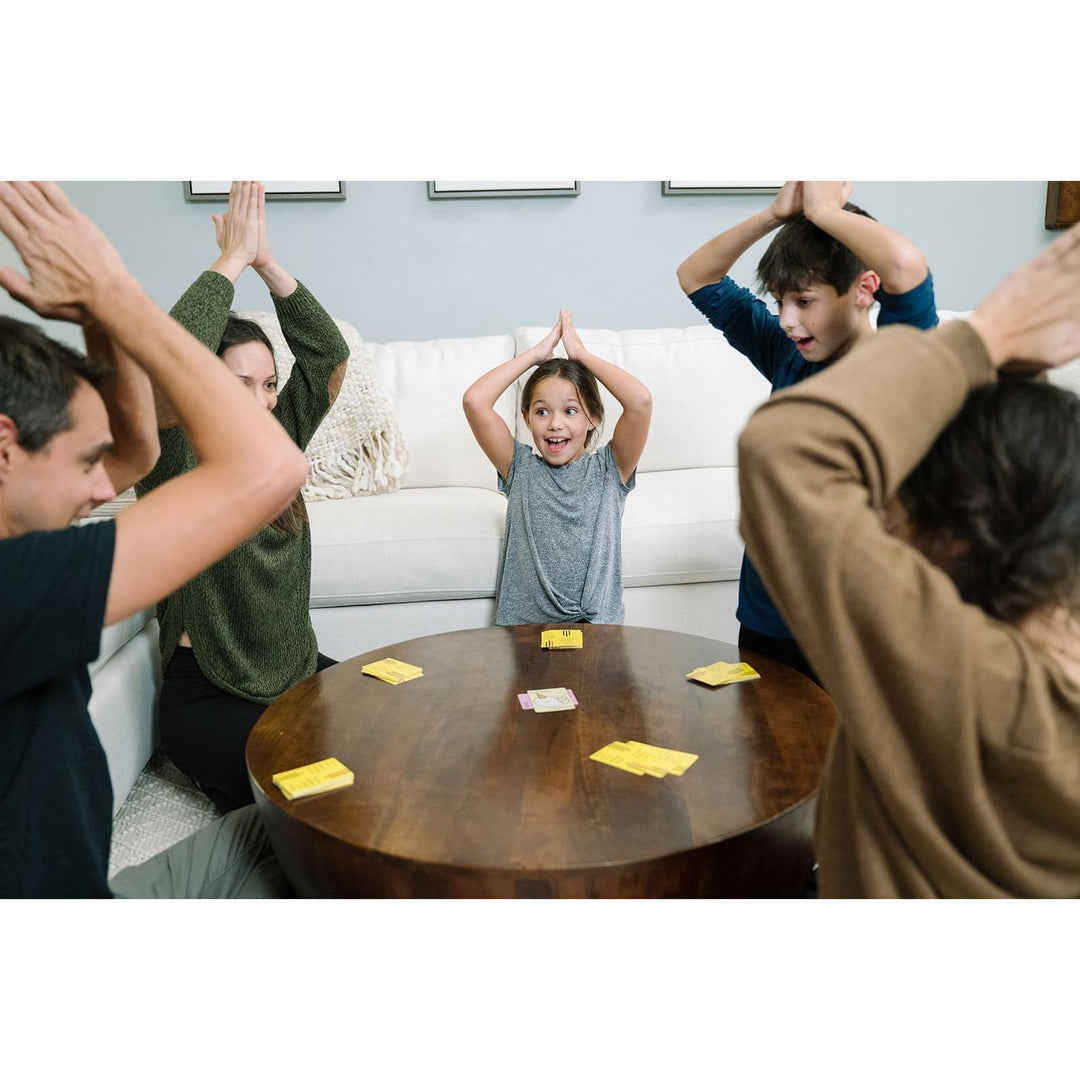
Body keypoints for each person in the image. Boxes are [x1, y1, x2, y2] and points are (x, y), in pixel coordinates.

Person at [737, 219, 1080, 898]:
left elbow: (785, 455)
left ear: (958, 537)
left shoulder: (968, 677)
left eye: (900, 504)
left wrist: (989, 334)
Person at [0, 180, 309, 898]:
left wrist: (96, 318)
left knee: (288, 820)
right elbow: (272, 464)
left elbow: (135, 452)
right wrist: (111, 289)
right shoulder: (17, 584)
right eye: (83, 463)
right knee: (315, 830)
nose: (105, 489)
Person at [135, 181, 350, 815]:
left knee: (393, 733)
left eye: (268, 384)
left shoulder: (278, 439)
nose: (261, 401)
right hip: (208, 695)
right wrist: (229, 261)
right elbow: (168, 360)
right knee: (311, 797)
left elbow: (328, 355)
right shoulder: (177, 453)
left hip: (295, 674)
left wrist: (267, 263)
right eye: (238, 385)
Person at [678, 181, 939, 684]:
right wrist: (776, 215)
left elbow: (906, 267)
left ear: (865, 290)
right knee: (766, 752)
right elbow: (695, 277)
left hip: (851, 628)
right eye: (779, 302)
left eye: (804, 301)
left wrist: (826, 212)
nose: (788, 321)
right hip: (765, 618)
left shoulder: (900, 361)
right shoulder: (786, 354)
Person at [463, 309, 651, 625]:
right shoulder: (519, 467)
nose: (555, 424)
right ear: (526, 418)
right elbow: (474, 401)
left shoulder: (611, 469)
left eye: (570, 411)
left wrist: (581, 355)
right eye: (542, 412)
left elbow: (640, 401)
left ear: (593, 418)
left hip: (597, 633)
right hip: (526, 634)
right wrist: (535, 355)